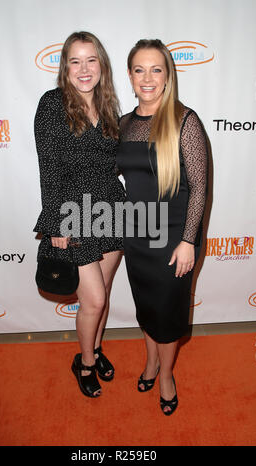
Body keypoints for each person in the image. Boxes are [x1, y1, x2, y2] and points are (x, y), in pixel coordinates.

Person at [116, 39, 208, 415]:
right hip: (137, 236)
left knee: (167, 314)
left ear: (168, 76)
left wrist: (188, 241)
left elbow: (200, 185)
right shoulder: (122, 124)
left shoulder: (185, 120)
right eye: (140, 69)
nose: (148, 77)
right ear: (130, 75)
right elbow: (111, 179)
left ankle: (166, 374)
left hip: (174, 239)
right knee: (147, 308)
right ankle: (151, 361)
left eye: (156, 69)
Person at [33, 32, 125, 398]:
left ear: (101, 64)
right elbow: (48, 167)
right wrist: (56, 222)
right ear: (65, 67)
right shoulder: (52, 104)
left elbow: (115, 160)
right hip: (73, 210)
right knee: (95, 301)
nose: (84, 69)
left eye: (91, 60)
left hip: (112, 207)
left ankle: (96, 348)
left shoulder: (108, 105)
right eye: (76, 61)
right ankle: (84, 362)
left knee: (105, 291)